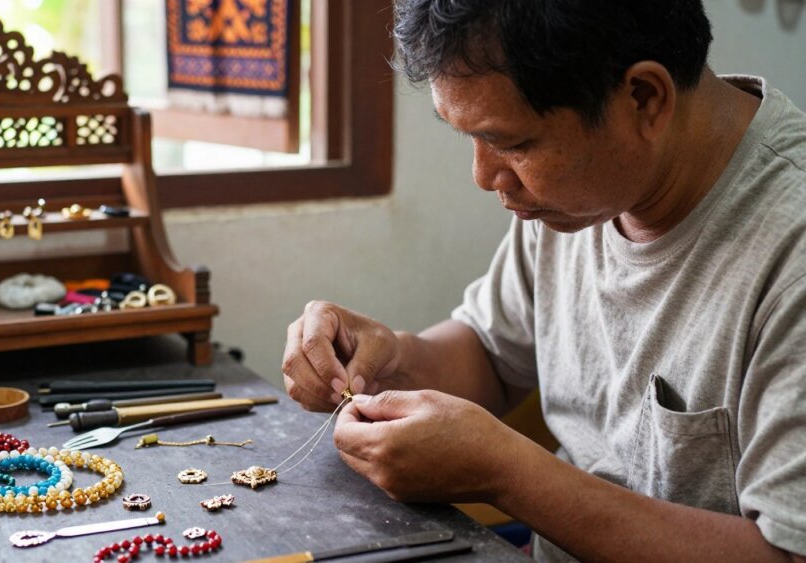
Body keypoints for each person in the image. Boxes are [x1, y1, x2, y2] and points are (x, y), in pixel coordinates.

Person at [281, 1, 806, 560]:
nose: (485, 176)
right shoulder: (585, 194)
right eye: (470, 138)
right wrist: (389, 362)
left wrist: (504, 473)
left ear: (644, 98)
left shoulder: (788, 250)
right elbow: (491, 355)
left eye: (512, 143)